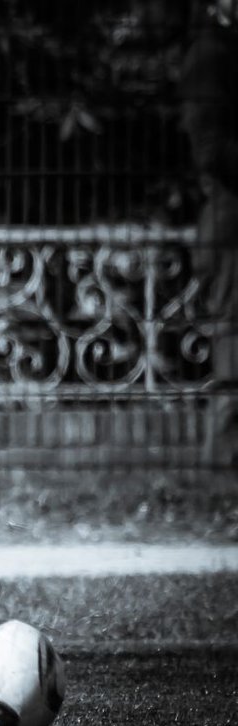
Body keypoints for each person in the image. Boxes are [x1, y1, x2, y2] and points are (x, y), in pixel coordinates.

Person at [182, 0, 238, 467]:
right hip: (228, 214)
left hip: (226, 213)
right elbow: (212, 149)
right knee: (232, 342)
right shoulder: (212, 55)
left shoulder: (219, 51)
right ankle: (222, 465)